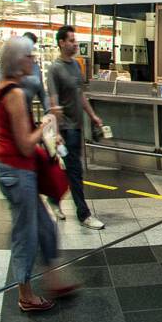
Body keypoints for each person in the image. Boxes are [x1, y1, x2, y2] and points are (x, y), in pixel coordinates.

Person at [0, 37, 77, 312]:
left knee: (45, 227)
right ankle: (25, 294)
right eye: (29, 56)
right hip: (16, 172)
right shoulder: (14, 94)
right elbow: (26, 144)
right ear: (18, 61)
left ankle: (53, 278)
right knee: (26, 233)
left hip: (15, 169)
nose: (33, 61)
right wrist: (46, 124)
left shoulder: (4, 87)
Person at [46, 26, 106, 229]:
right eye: (71, 40)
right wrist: (55, 133)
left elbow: (80, 95)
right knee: (75, 170)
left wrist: (93, 116)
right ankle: (84, 214)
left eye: (75, 40)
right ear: (62, 43)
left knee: (70, 169)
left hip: (77, 126)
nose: (75, 43)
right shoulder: (55, 69)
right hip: (65, 128)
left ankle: (54, 198)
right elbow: (53, 103)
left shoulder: (76, 66)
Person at [21, 32, 49, 122]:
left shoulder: (35, 69)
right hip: (10, 118)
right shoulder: (10, 66)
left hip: (27, 117)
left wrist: (49, 111)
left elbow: (42, 94)